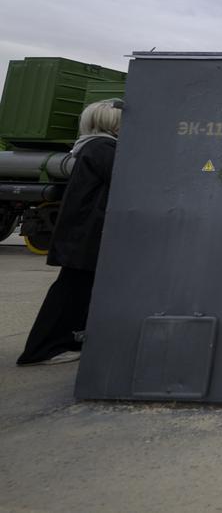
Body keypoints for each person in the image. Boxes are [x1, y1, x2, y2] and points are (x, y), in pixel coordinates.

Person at [17, 99, 122, 366]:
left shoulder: (89, 146)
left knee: (76, 290)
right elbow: (124, 179)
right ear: (113, 123)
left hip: (82, 232)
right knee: (70, 292)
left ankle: (66, 340)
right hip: (87, 234)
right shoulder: (104, 148)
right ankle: (42, 349)